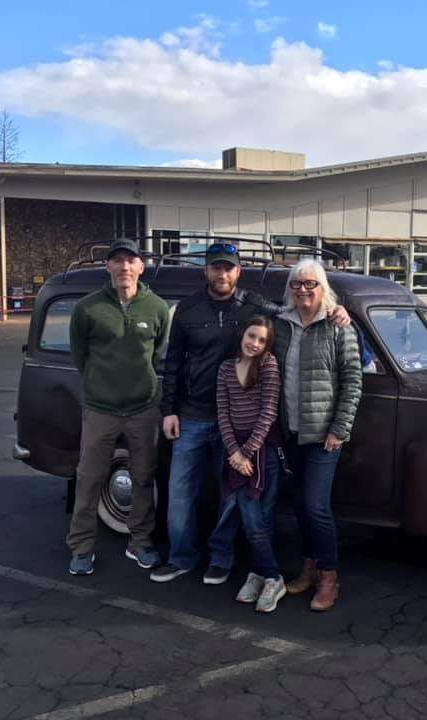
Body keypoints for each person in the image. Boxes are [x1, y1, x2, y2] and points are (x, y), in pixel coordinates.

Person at [151, 243, 349, 584]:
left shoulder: (254, 304)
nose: (222, 273)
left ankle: (222, 559)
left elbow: (296, 310)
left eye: (228, 267)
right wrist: (168, 410)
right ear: (206, 271)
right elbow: (172, 363)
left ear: (238, 272)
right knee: (181, 491)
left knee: (231, 497)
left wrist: (336, 309)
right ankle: (181, 556)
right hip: (194, 413)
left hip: (239, 419)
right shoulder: (188, 308)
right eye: (216, 267)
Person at [66, 238, 170, 575]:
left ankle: (140, 541)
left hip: (143, 407)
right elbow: (81, 355)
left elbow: (157, 355)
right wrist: (101, 383)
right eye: (117, 261)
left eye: (131, 261)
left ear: (141, 267)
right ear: (108, 267)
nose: (124, 267)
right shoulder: (87, 308)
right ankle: (81, 547)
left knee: (142, 477)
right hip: (101, 408)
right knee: (89, 477)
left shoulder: (156, 308)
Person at [274, 259, 362, 611]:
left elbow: (353, 380)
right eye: (297, 284)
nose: (303, 290)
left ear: (323, 287)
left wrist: (339, 429)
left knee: (316, 506)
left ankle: (329, 577)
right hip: (290, 431)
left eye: (310, 284)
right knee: (299, 505)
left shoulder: (339, 325)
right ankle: (308, 568)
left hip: (324, 435)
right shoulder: (281, 324)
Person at [216, 317, 285, 612]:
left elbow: (269, 412)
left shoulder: (268, 365)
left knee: (262, 517)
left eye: (261, 340)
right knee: (252, 517)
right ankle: (271, 576)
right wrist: (234, 451)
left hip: (263, 450)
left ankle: (262, 575)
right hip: (236, 451)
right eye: (251, 336)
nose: (254, 344)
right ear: (242, 334)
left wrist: (247, 452)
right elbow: (223, 412)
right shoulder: (225, 369)